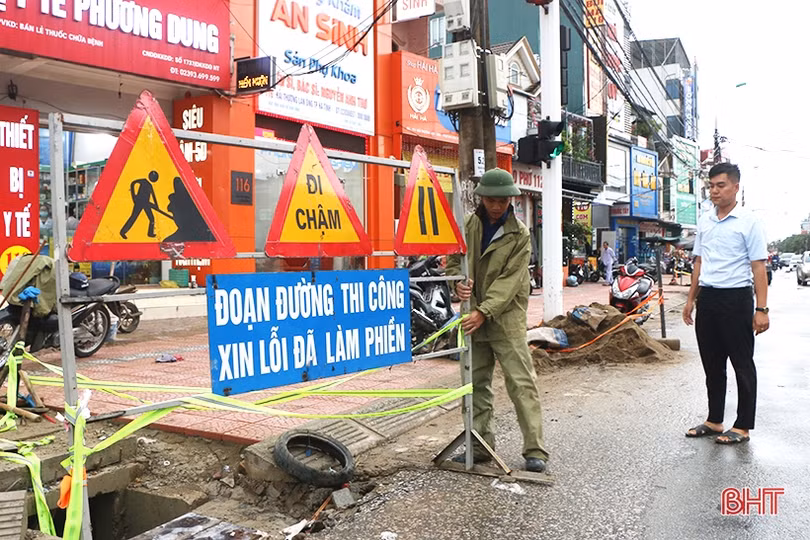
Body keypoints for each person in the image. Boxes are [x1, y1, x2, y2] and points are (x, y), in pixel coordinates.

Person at [446, 168, 549, 473]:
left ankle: (535, 450)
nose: (496, 206)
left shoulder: (521, 234)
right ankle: (480, 446)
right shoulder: (468, 225)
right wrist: (457, 283)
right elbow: (454, 260)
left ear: (510, 201)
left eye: (502, 201)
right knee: (475, 384)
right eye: (491, 200)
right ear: (482, 198)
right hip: (473, 316)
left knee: (521, 383)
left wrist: (484, 311)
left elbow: (510, 281)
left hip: (506, 319)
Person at [682, 163, 769, 445]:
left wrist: (761, 309)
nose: (714, 191)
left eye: (720, 185)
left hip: (736, 298)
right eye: (711, 186)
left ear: (735, 187)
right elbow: (699, 262)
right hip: (708, 298)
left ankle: (742, 425)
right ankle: (714, 420)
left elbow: (758, 267)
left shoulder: (749, 222)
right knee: (712, 363)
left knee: (742, 363)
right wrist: (691, 299)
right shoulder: (705, 220)